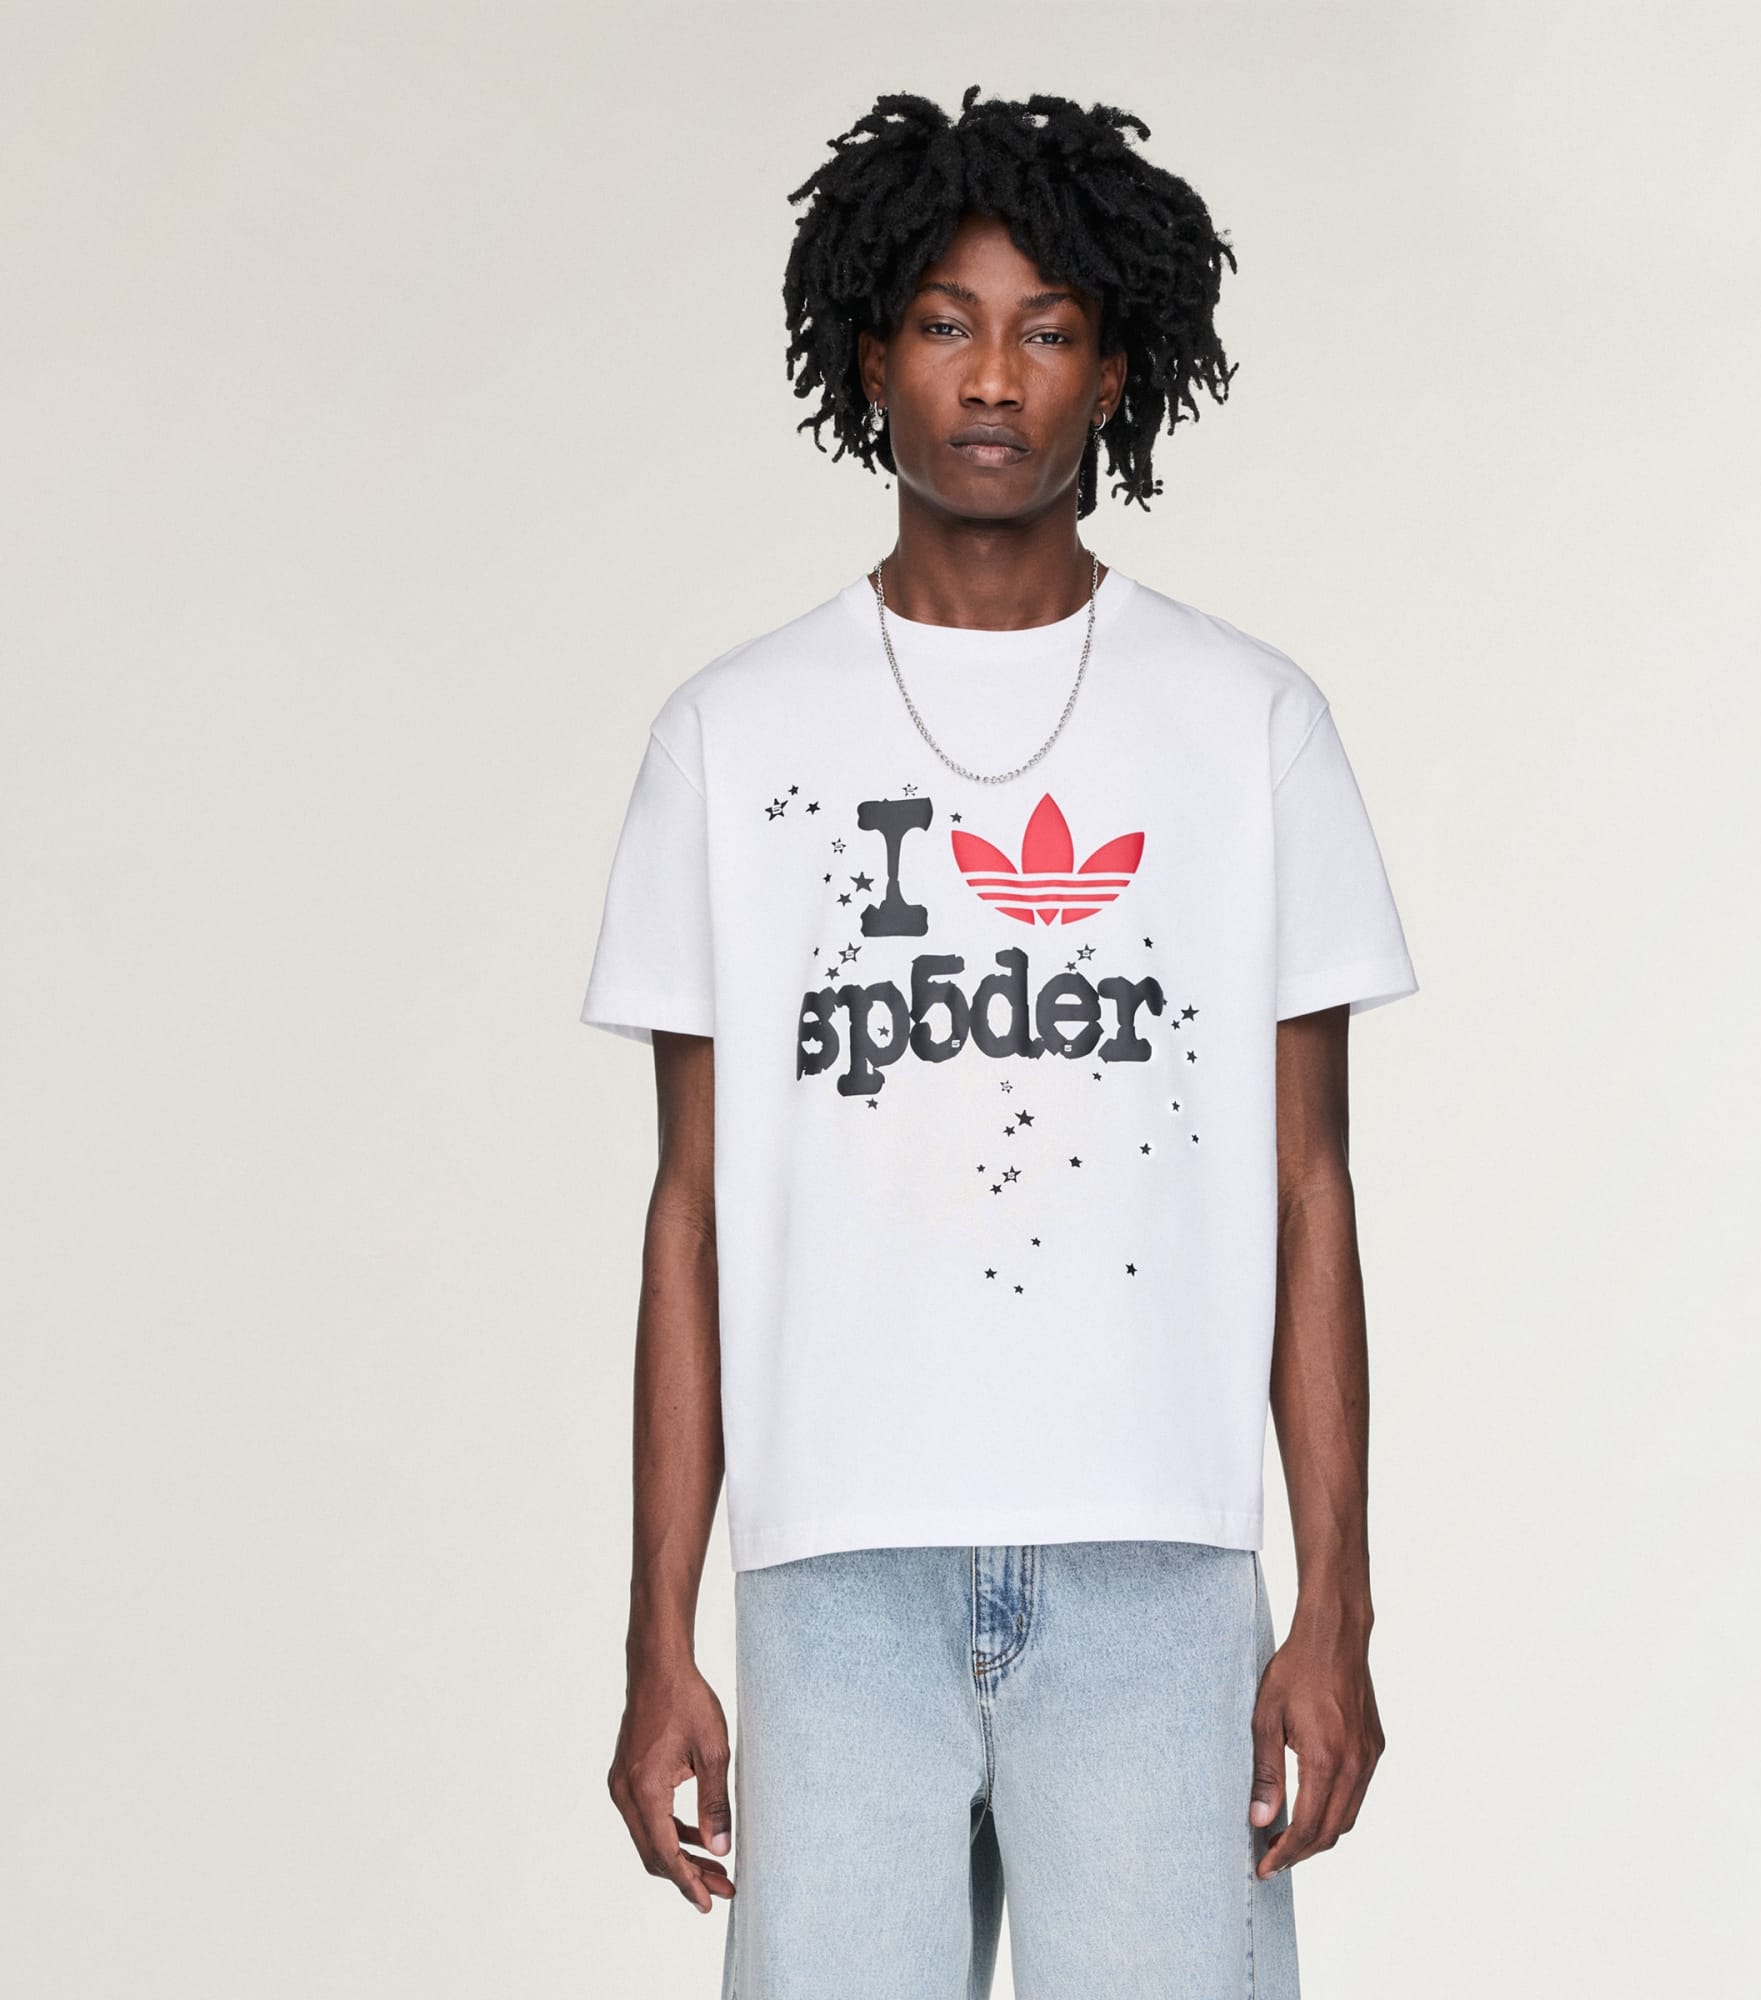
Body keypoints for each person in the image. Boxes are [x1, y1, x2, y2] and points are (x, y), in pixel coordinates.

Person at [580, 84, 1418, 2000]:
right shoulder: (731, 739)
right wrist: (655, 1638)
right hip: (833, 1582)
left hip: (1159, 1572)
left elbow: (1310, 1188)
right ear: (870, 354)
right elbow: (689, 1212)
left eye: (1045, 331)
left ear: (1113, 372)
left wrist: (1338, 1607)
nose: (989, 378)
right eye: (947, 323)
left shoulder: (1248, 725)